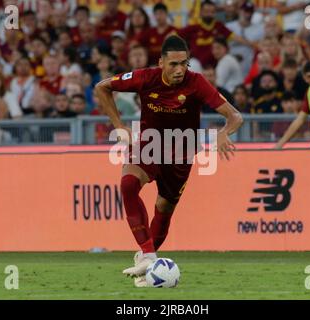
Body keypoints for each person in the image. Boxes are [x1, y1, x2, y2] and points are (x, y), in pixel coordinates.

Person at [95, 35, 243, 287]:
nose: (179, 70)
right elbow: (101, 87)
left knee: (164, 209)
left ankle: (147, 265)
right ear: (161, 62)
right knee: (129, 184)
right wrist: (118, 126)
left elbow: (236, 116)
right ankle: (149, 256)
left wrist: (222, 133)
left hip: (182, 154)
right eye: (173, 64)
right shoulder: (145, 77)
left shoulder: (196, 82)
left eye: (184, 63)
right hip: (149, 146)